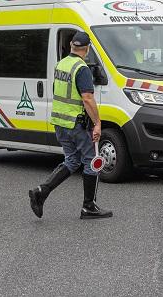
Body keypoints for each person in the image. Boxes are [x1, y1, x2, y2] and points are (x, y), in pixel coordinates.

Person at [29, 31, 112, 220]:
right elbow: (87, 98)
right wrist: (97, 123)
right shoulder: (81, 68)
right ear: (87, 48)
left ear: (72, 46)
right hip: (77, 124)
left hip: (60, 123)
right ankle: (88, 207)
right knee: (92, 161)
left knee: (72, 160)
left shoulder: (61, 64)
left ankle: (41, 192)